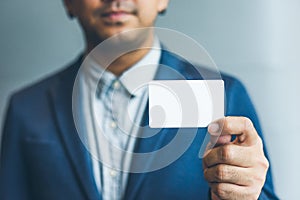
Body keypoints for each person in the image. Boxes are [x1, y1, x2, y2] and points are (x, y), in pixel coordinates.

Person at [0, 0, 278, 199]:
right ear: (68, 4)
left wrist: (249, 195)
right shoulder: (27, 107)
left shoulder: (219, 94)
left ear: (162, 1)